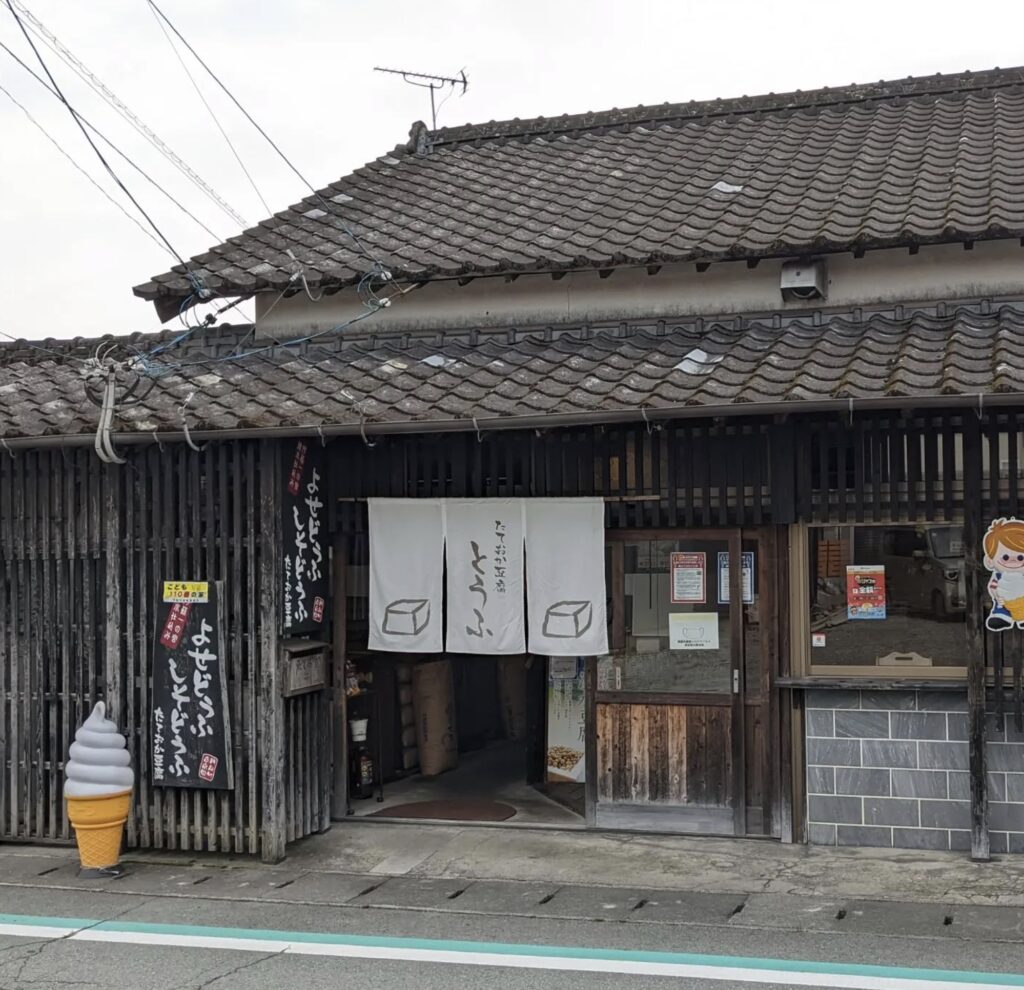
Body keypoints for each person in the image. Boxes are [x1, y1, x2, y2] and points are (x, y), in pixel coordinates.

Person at [982, 517, 1024, 631]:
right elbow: (993, 586)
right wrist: (997, 596)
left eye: (1020, 557)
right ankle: (1002, 617)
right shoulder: (998, 576)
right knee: (1000, 606)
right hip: (1004, 600)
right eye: (1005, 557)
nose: (1013, 560)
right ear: (990, 561)